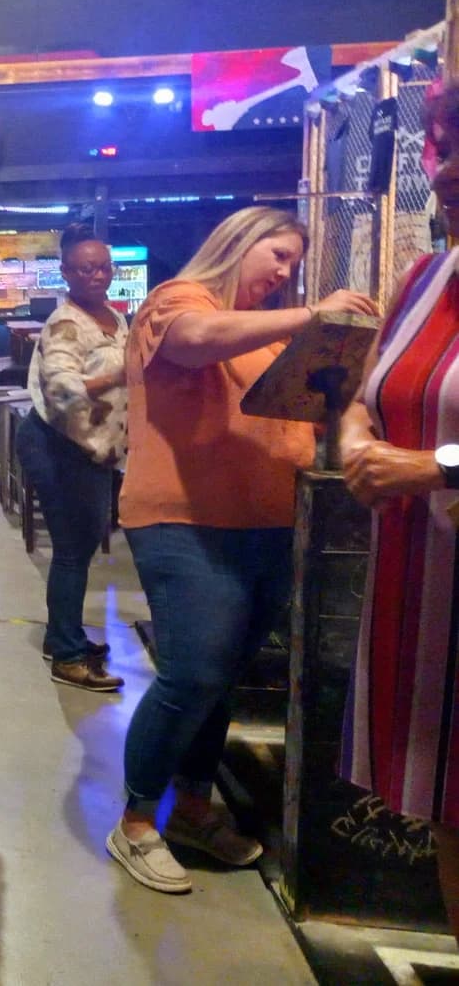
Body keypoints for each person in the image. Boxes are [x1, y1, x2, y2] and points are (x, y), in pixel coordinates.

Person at [106, 206, 378, 895]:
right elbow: (198, 340)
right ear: (238, 242)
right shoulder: (179, 301)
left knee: (224, 676)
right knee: (192, 674)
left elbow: (324, 407)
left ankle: (193, 805)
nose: (284, 272)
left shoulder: (270, 332)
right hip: (186, 522)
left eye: (294, 263)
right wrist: (315, 315)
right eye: (276, 254)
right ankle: (137, 819)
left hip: (269, 523)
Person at [339, 189, 459, 939]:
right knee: (450, 810)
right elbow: (366, 395)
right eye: (443, 147)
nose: (446, 170)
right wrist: (356, 440)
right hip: (426, 588)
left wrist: (435, 466)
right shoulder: (423, 278)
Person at [15, 230, 127, 692]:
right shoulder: (65, 322)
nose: (97, 275)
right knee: (71, 552)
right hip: (59, 446)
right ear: (66, 273)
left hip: (90, 447)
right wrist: (120, 374)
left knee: (79, 549)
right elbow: (61, 388)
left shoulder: (113, 316)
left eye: (103, 267)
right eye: (86, 268)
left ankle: (63, 635)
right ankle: (66, 655)